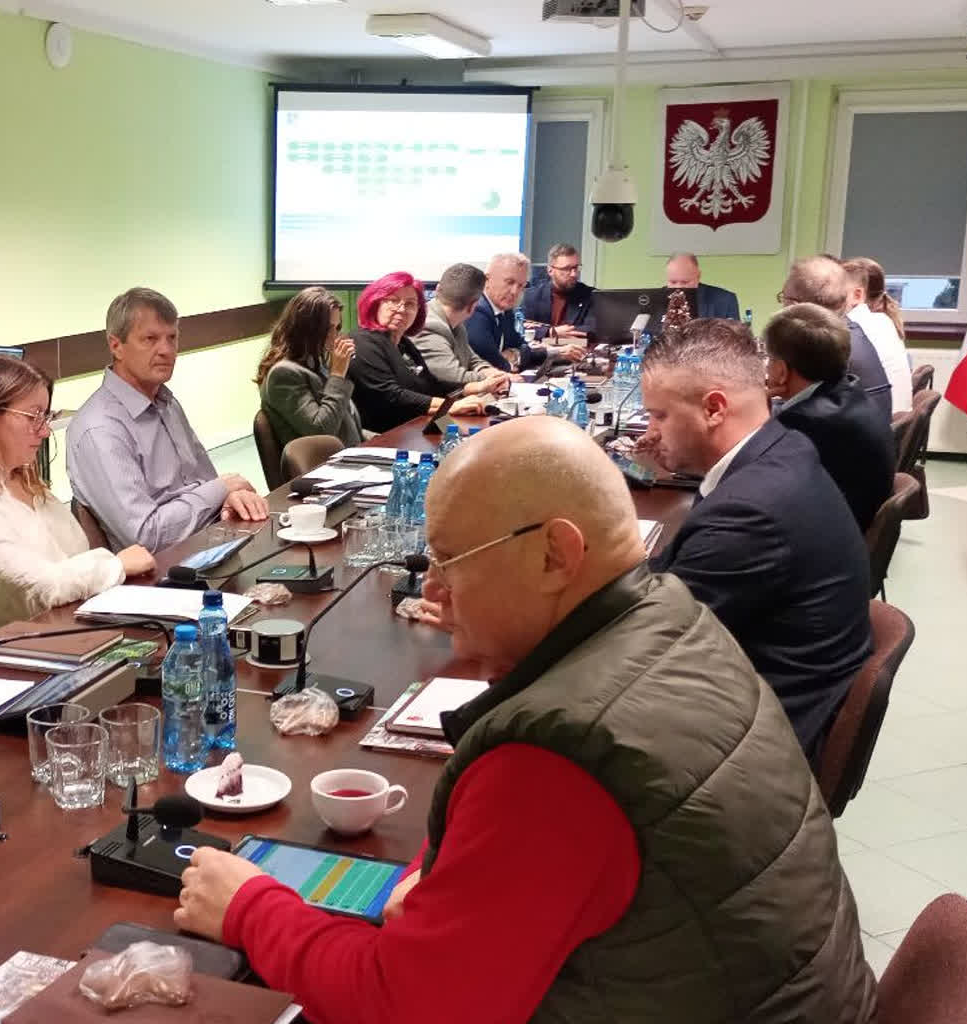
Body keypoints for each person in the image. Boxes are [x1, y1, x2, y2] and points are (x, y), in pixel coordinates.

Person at [174, 416, 876, 1024]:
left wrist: (249, 909)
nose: (434, 586)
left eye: (451, 559)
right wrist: (447, 869)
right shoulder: (673, 617)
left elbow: (405, 1007)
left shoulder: (561, 755)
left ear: (555, 554)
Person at [642, 318, 873, 760]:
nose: (651, 432)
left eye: (660, 415)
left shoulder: (748, 513)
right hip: (773, 691)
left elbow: (648, 643)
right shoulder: (782, 447)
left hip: (760, 744)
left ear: (714, 408)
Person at [0, 356, 156, 634]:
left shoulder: (28, 484)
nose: (44, 431)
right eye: (34, 417)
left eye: (46, 416)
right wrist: (116, 566)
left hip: (76, 628)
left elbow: (73, 565)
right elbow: (38, 588)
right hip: (25, 648)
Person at [67, 287, 268, 553]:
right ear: (116, 346)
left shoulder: (166, 402)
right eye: (150, 339)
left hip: (210, 544)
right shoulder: (99, 429)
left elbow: (206, 483)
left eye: (172, 338)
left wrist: (231, 495)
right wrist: (221, 489)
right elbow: (145, 537)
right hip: (163, 569)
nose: (166, 350)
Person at [766, 304, 896, 532]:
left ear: (781, 371)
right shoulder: (850, 389)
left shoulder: (803, 423)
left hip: (825, 537)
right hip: (852, 525)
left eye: (769, 359)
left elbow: (755, 483)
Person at [346, 271, 492, 434]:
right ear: (375, 303)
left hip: (416, 428)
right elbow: (390, 396)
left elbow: (430, 385)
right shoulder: (362, 342)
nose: (401, 309)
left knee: (473, 436)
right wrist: (451, 406)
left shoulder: (404, 343)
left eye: (410, 304)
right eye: (393, 301)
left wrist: (475, 388)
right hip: (382, 437)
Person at [780, 256, 893, 421]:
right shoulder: (850, 331)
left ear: (794, 305)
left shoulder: (823, 347)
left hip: (845, 434)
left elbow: (796, 413)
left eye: (783, 298)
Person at [256, 287, 365, 449]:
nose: (334, 336)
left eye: (337, 328)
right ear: (305, 329)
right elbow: (321, 430)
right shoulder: (283, 374)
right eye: (327, 328)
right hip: (324, 461)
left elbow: (347, 425)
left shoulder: (316, 362)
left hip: (350, 453)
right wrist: (337, 374)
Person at [466, 253, 584, 371]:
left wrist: (515, 355)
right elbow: (493, 362)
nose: (515, 292)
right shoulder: (475, 311)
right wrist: (511, 362)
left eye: (521, 286)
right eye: (509, 282)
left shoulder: (506, 312)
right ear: (487, 280)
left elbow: (522, 347)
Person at [412, 264, 511, 390]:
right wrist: (496, 379)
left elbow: (472, 360)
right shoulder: (429, 326)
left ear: (437, 289)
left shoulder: (456, 324)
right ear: (473, 306)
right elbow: (454, 378)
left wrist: (488, 371)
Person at [842, 257, 912, 414]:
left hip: (880, 421)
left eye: (837, 289)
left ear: (857, 295)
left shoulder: (855, 326)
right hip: (893, 420)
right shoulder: (884, 320)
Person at [521, 242, 596, 340]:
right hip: (541, 349)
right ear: (550, 270)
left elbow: (593, 329)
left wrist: (543, 330)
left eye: (576, 268)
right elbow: (522, 328)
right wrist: (551, 332)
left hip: (578, 348)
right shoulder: (531, 296)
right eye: (566, 269)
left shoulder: (591, 295)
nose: (574, 274)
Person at [664, 252, 740, 320]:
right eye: (673, 282)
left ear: (698, 276)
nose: (679, 287)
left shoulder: (725, 300)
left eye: (685, 282)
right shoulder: (657, 301)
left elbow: (735, 331)